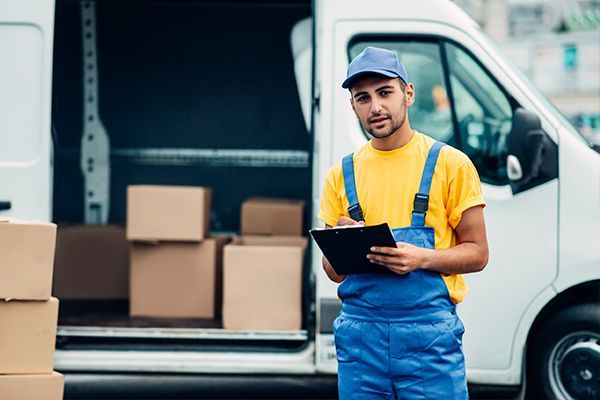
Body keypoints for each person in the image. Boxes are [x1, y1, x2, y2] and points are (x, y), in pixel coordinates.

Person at [318, 46, 489, 399]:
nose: (375, 106)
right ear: (353, 106)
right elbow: (333, 272)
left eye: (385, 92)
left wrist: (422, 258)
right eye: (362, 98)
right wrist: (341, 245)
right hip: (361, 340)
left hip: (428, 339)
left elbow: (478, 254)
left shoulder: (450, 164)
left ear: (408, 94)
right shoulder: (341, 174)